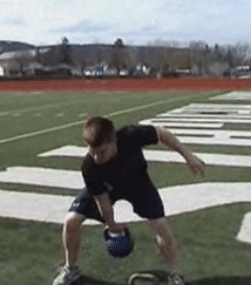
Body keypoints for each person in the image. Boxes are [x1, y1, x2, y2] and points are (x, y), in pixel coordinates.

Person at [52, 116, 206, 285]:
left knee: (161, 225)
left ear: (114, 141)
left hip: (138, 184)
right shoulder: (90, 167)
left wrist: (188, 156)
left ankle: (176, 275)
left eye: (102, 151)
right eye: (92, 151)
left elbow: (161, 134)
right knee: (71, 222)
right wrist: (112, 226)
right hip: (108, 187)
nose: (96, 157)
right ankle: (71, 269)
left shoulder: (131, 135)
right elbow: (102, 201)